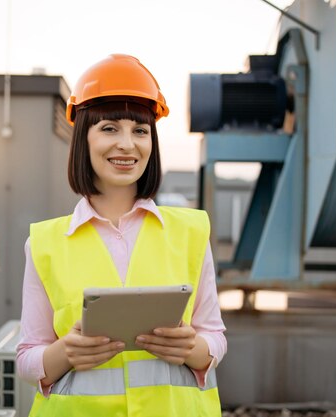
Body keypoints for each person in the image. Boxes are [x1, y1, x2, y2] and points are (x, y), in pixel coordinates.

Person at [17, 54, 227, 417]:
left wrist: (191, 348)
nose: (128, 144)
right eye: (110, 128)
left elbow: (216, 339)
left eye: (140, 130)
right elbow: (27, 357)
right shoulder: (44, 244)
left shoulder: (191, 232)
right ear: (83, 137)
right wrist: (64, 352)